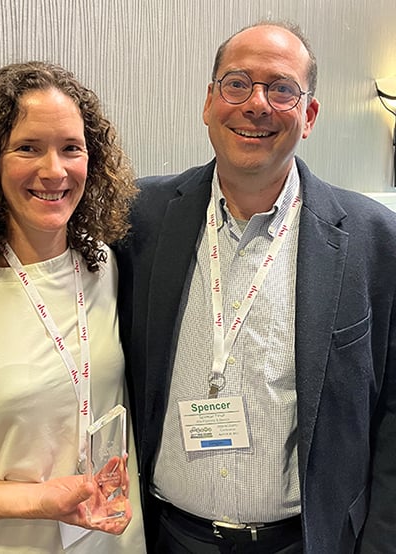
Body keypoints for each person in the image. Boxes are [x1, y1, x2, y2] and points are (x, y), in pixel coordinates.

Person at [115, 20, 396, 554]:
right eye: (237, 83)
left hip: (308, 541)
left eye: (281, 88)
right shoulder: (139, 218)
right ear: (209, 102)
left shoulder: (375, 241)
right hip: (169, 536)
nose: (256, 104)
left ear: (309, 115)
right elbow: (51, 250)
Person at [0, 61, 146, 554]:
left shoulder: (105, 267)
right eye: (27, 148)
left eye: (71, 148)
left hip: (116, 542)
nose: (54, 171)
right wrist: (36, 500)